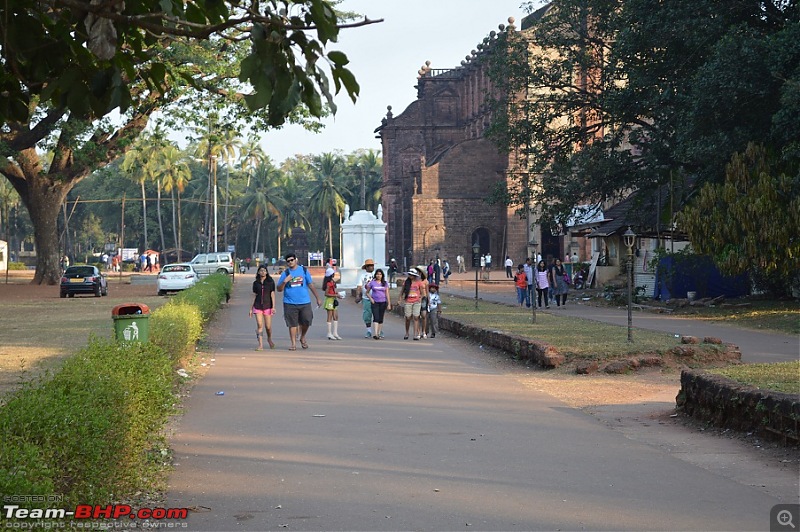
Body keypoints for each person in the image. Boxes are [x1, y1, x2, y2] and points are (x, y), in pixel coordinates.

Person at [276, 253, 322, 351]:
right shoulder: (285, 273)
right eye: (288, 261)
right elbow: (279, 289)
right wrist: (285, 281)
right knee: (292, 324)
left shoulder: (304, 270)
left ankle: (302, 337)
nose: (290, 262)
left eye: (292, 260)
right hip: (289, 302)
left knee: (307, 321)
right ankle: (293, 343)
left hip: (304, 301)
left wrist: (317, 298)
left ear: (295, 260)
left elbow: (311, 285)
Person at [250, 265, 276, 350]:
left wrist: (273, 307)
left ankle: (269, 338)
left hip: (267, 306)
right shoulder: (256, 283)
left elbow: (272, 294)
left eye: (264, 271)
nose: (263, 272)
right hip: (257, 306)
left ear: (267, 272)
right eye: (261, 271)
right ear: (258, 272)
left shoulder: (270, 282)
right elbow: (254, 295)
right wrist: (251, 308)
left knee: (268, 326)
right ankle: (260, 345)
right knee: (260, 325)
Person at [400, 269, 426, 340]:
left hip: (416, 302)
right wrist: (400, 299)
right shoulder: (406, 282)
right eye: (410, 275)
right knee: (408, 318)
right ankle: (407, 332)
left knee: (416, 317)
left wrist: (420, 298)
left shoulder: (419, 283)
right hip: (408, 301)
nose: (410, 276)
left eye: (412, 275)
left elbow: (422, 292)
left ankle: (415, 334)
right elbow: (402, 291)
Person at [366, 268, 391, 339]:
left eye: (380, 274)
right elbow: (367, 292)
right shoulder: (372, 283)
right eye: (377, 274)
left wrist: (389, 303)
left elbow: (387, 294)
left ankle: (379, 333)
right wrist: (371, 299)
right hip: (375, 302)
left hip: (383, 302)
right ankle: (376, 333)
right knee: (376, 317)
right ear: (375, 275)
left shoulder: (385, 283)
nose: (378, 276)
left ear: (382, 275)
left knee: (380, 318)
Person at [355, 258, 376, 338]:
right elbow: (359, 286)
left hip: (376, 298)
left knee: (377, 315)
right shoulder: (362, 276)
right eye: (369, 266)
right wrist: (358, 295)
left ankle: (378, 330)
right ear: (366, 267)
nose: (371, 267)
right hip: (366, 298)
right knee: (367, 315)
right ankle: (369, 330)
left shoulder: (377, 274)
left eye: (372, 265)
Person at [322, 267, 343, 340]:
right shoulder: (328, 283)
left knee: (336, 316)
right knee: (330, 316)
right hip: (330, 300)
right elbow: (326, 294)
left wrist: (338, 294)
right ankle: (329, 333)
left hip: (333, 300)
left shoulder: (332, 282)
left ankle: (335, 332)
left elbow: (333, 291)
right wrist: (335, 295)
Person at [417, 267, 430, 338]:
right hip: (416, 298)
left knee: (424, 315)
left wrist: (429, 301)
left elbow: (427, 292)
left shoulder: (425, 281)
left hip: (424, 298)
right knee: (417, 316)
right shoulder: (415, 281)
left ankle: (424, 331)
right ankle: (418, 332)